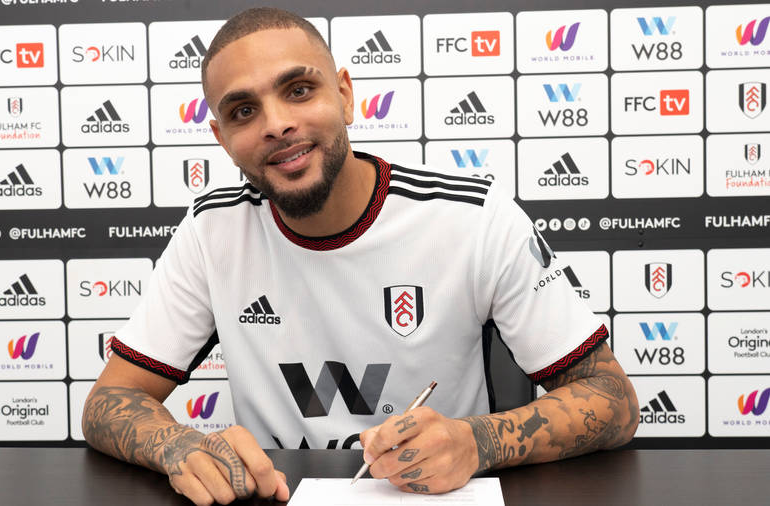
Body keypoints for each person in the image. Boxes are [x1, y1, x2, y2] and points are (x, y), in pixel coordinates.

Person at [82, 7, 639, 506]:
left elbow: (612, 397)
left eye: (299, 90)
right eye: (244, 111)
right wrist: (177, 445)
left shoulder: (474, 217)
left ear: (345, 95)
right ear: (221, 138)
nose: (276, 124)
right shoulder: (212, 228)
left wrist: (478, 441)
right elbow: (111, 398)